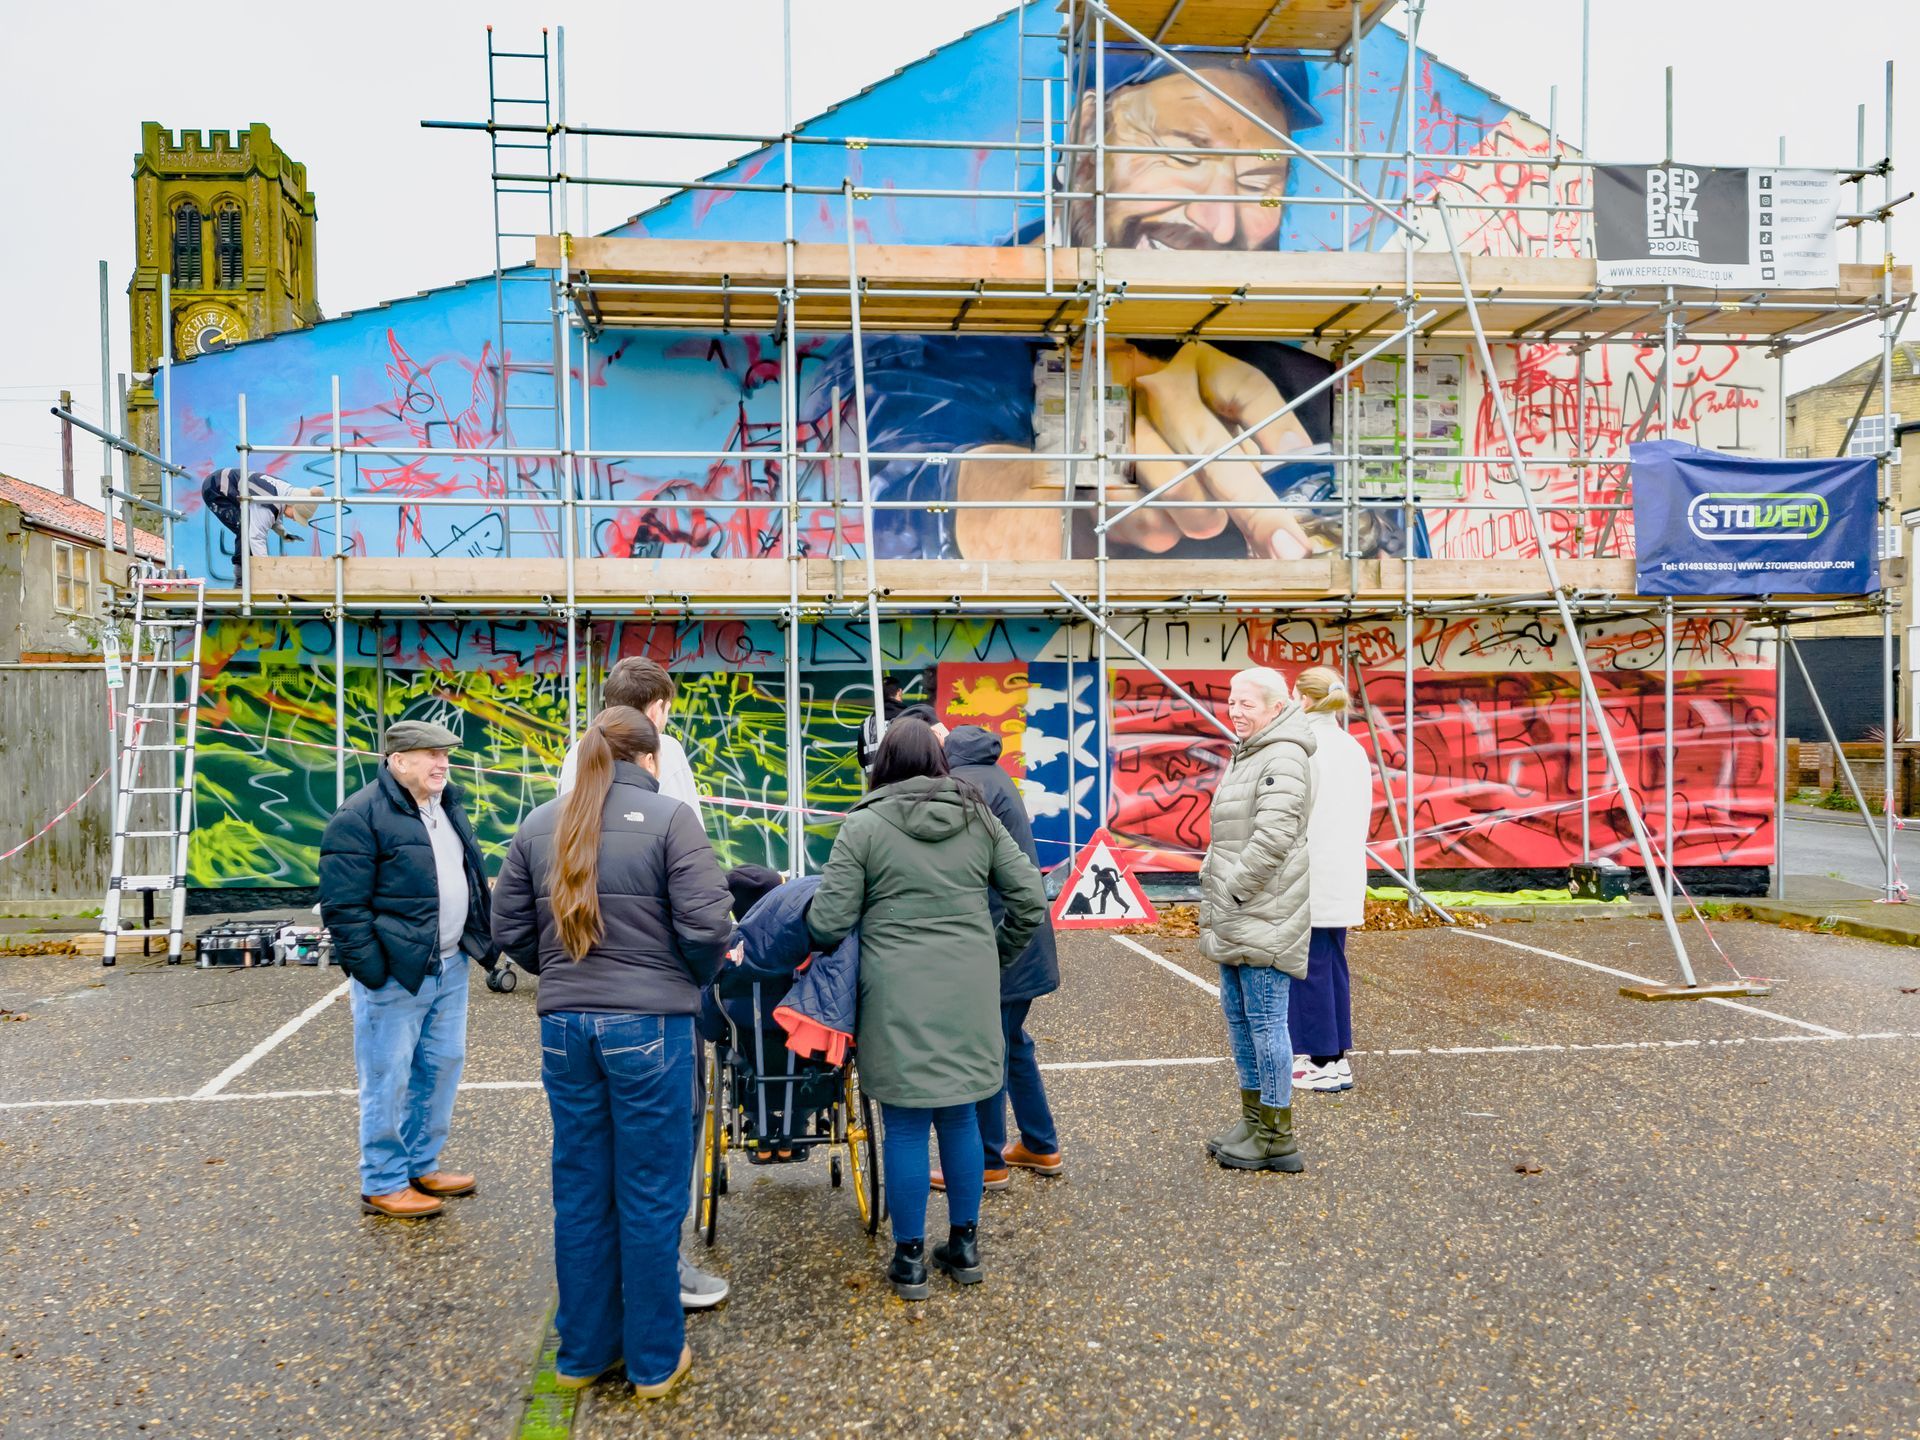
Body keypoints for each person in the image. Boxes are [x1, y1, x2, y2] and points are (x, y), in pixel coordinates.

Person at [492, 706, 733, 1401]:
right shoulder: (671, 820)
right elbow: (707, 924)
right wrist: (682, 978)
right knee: (651, 1192)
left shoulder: (542, 822)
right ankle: (656, 1361)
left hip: (566, 1025)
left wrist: (568, 975)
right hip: (650, 1025)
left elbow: (506, 924)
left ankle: (583, 1353)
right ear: (650, 760)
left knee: (581, 1188)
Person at [805, 719, 1046, 1300]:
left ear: (881, 763)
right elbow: (1030, 899)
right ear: (940, 763)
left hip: (894, 992)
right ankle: (964, 1246)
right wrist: (992, 954)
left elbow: (828, 921)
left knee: (906, 1124)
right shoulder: (977, 815)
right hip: (968, 986)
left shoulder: (863, 824)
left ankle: (909, 1259)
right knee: (962, 1116)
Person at [557, 656, 725, 1311]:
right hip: (654, 988)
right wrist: (700, 968)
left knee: (585, 1153)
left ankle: (595, 1302)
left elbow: (519, 916)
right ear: (654, 712)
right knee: (666, 1133)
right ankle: (664, 1273)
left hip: (578, 988)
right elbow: (696, 885)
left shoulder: (576, 758)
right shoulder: (665, 759)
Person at [319, 720, 499, 1220]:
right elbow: (343, 908)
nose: (442, 763)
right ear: (398, 762)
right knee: (388, 1078)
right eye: (429, 754)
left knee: (440, 1068)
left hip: (449, 965)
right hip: (397, 974)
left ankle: (421, 1165)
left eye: (445, 754)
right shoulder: (359, 816)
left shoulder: (447, 806)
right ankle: (382, 1182)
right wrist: (373, 972)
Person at [932, 725, 1063, 1195]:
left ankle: (988, 1160)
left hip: (1002, 935)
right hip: (1024, 935)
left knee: (989, 1048)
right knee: (1012, 1042)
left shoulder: (968, 786)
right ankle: (1039, 1143)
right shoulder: (994, 776)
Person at [1198, 667, 1316, 1173]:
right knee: (1241, 1019)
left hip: (1261, 911)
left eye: (1246, 703)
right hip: (1238, 911)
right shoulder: (1252, 752)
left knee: (1266, 1022)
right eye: (1231, 700)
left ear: (1275, 707)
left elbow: (1274, 837)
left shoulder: (1283, 755)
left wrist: (1232, 891)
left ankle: (1276, 1136)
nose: (1234, 710)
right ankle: (1253, 1120)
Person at [1289, 667, 1370, 1094]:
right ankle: (1335, 1057)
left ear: (1303, 699)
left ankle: (1319, 1059)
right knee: (1332, 961)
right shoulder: (1352, 747)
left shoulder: (1306, 747)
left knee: (1310, 966)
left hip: (1311, 871)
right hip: (1343, 869)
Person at [202, 467, 322, 558]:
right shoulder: (268, 502)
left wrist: (283, 533)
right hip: (217, 488)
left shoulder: (283, 491)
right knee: (245, 530)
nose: (295, 519)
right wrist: (265, 567)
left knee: (247, 528)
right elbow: (256, 537)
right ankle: (241, 577)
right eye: (296, 515)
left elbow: (274, 512)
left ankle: (245, 573)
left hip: (226, 482)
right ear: (293, 504)